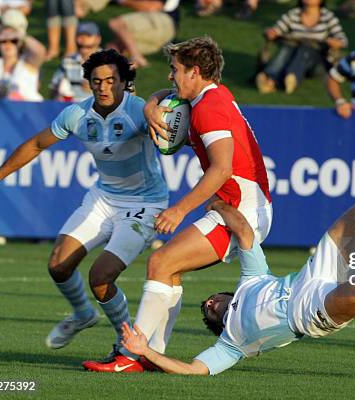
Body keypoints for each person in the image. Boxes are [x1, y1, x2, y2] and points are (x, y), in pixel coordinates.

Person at [82, 36, 274, 373]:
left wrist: (179, 210)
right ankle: (151, 355)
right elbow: (168, 97)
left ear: (195, 72)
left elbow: (222, 168)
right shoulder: (211, 95)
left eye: (175, 70)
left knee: (161, 261)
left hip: (240, 209)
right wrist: (150, 103)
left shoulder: (209, 109)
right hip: (241, 205)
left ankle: (133, 356)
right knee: (167, 269)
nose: (170, 77)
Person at [114, 198, 355, 375]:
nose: (208, 304)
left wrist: (219, 204)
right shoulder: (232, 344)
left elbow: (245, 234)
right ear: (217, 323)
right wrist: (144, 351)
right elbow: (191, 370)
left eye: (210, 301)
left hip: (313, 273)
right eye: (209, 312)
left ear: (225, 294)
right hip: (307, 313)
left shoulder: (252, 278)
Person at [0, 49, 169, 363]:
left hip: (144, 204)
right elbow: (36, 145)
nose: (103, 87)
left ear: (124, 82)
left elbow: (178, 120)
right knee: (58, 264)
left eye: (110, 81)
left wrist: (156, 106)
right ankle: (82, 314)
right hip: (103, 198)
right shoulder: (77, 115)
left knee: (100, 277)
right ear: (88, 84)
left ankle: (128, 345)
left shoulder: (139, 111)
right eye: (96, 81)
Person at [255, 0, 347, 94]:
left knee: (306, 49)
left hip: (316, 61)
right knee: (286, 48)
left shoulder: (327, 16)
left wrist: (334, 42)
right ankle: (269, 79)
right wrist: (271, 33)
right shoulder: (293, 14)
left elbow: (342, 40)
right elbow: (277, 29)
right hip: (292, 53)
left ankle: (291, 77)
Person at [0, 15, 45, 101]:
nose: (8, 44)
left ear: (19, 43)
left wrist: (20, 34)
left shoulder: (28, 61)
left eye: (13, 41)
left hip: (28, 108)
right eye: (3, 41)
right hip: (1, 109)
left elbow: (40, 52)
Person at [107, 0, 179, 68]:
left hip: (163, 21)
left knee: (117, 24)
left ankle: (136, 56)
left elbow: (153, 6)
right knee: (112, 48)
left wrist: (123, 1)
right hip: (163, 37)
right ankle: (128, 67)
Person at [50, 21, 102, 102]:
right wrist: (58, 95)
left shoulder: (109, 62)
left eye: (88, 35)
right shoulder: (67, 62)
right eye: (80, 35)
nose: (83, 39)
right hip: (70, 107)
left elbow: (123, 92)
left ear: (98, 39)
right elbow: (53, 90)